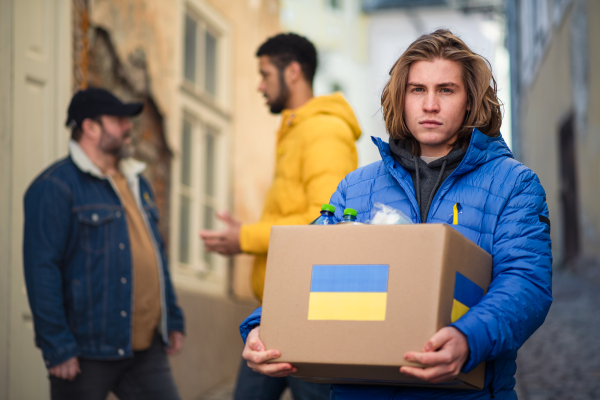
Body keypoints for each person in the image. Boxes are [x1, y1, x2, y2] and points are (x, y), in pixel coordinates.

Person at [238, 29, 553, 400]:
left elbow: (526, 283)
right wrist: (262, 328)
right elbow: (306, 271)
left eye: (446, 90)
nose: (430, 104)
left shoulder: (514, 184)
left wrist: (469, 339)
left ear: (470, 101)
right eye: (417, 90)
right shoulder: (355, 187)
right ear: (401, 99)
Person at [199, 33, 361, 400]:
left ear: (292, 72)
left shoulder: (323, 132)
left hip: (306, 311)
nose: (259, 85)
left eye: (264, 74)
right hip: (275, 311)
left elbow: (325, 221)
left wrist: (245, 238)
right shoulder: (295, 129)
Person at [23, 88, 185, 400]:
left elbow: (156, 255)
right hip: (86, 351)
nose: (128, 127)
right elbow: (42, 271)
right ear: (90, 127)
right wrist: (57, 346)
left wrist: (173, 318)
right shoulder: (54, 187)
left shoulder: (138, 182)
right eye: (118, 120)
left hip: (145, 347)